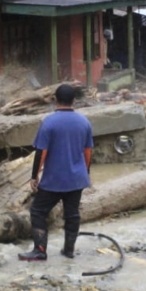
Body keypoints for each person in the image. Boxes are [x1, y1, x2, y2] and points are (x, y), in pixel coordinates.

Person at [19, 84, 93, 262]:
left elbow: (41, 152)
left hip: (54, 180)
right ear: (74, 101)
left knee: (38, 211)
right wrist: (86, 173)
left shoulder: (49, 122)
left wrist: (34, 176)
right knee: (72, 214)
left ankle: (40, 250)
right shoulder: (84, 122)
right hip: (76, 179)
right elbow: (88, 152)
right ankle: (68, 250)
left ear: (55, 100)